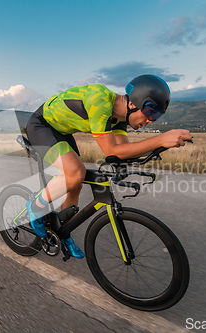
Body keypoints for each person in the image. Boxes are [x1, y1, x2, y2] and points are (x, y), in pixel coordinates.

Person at [25, 74, 192, 258]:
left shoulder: (120, 118)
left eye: (157, 115)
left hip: (62, 131)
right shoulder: (100, 101)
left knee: (76, 184)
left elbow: (124, 151)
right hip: (42, 125)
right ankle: (35, 206)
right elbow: (112, 151)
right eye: (151, 112)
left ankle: (63, 232)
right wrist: (161, 138)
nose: (151, 120)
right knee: (75, 174)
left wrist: (160, 147)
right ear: (132, 104)